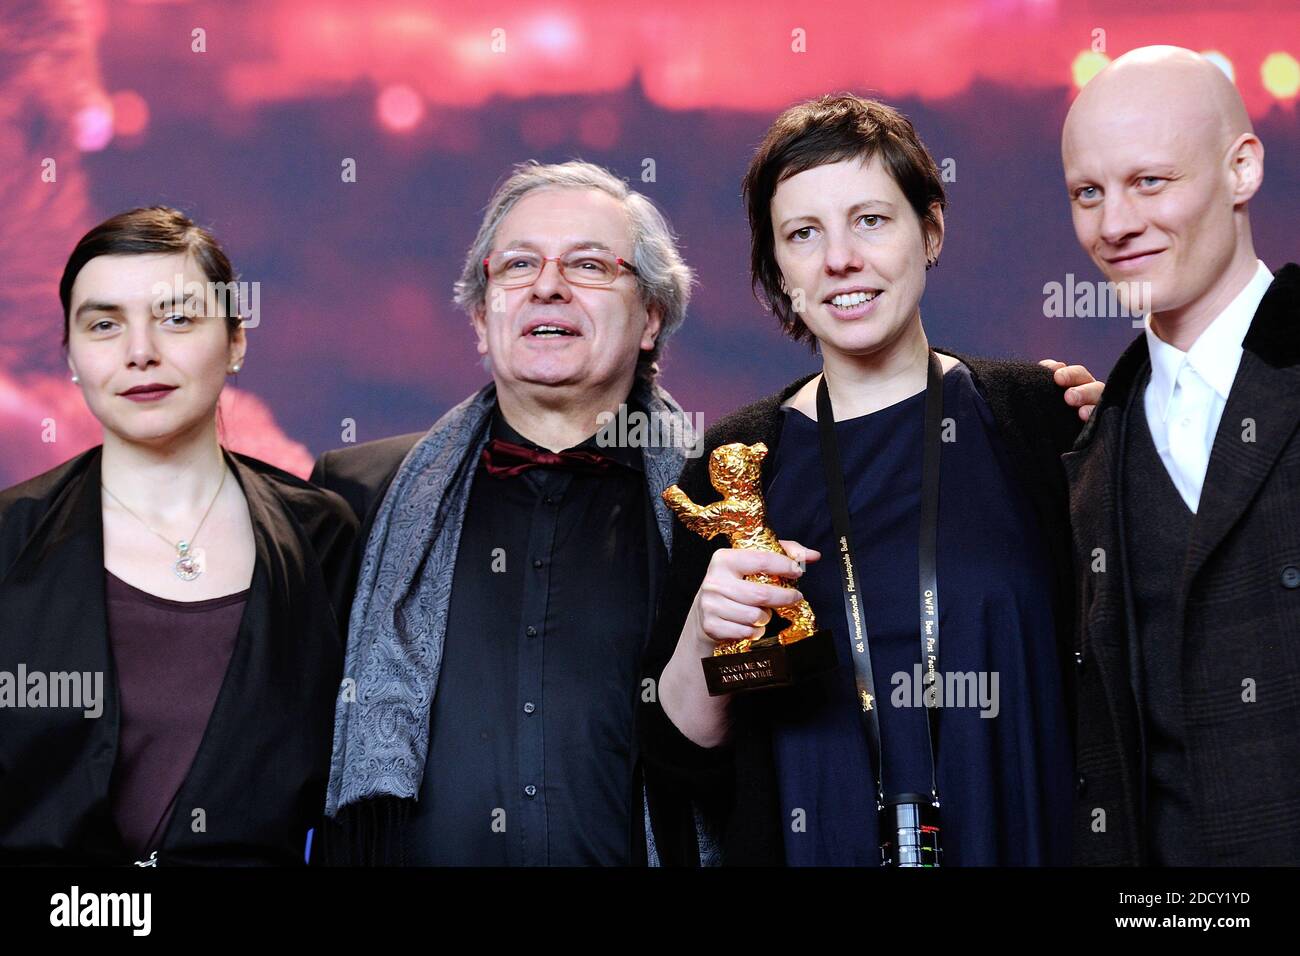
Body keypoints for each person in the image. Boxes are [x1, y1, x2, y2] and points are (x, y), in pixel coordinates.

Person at [642, 94, 1102, 866]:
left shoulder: (1040, 419)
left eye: (871, 220)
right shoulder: (734, 461)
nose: (839, 260)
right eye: (802, 234)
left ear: (931, 230)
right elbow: (681, 762)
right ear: (776, 267)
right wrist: (701, 636)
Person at [315, 161, 702, 865]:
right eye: (519, 265)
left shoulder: (717, 499)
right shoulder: (358, 493)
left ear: (650, 317)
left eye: (588, 264)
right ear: (480, 317)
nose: (547, 286)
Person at [0, 207, 357, 864]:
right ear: (71, 358)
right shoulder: (10, 539)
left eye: (177, 318)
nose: (141, 352)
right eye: (104, 325)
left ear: (236, 340)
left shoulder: (322, 534)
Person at [1060, 46, 1300, 865]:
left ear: (1241, 170)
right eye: (1088, 193)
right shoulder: (1094, 448)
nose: (1115, 224)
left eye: (1149, 182)